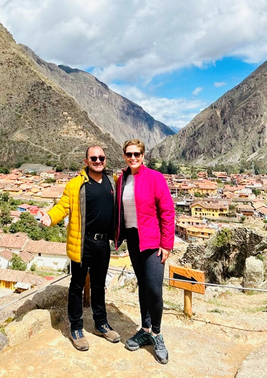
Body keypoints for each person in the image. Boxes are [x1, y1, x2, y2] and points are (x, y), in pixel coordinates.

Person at [42, 145, 120, 351]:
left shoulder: (112, 182)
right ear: (85, 161)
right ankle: (76, 328)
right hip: (81, 243)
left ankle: (101, 323)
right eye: (93, 158)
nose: (98, 160)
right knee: (76, 286)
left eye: (101, 157)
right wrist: (50, 216)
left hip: (103, 244)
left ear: (105, 159)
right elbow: (63, 206)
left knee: (98, 285)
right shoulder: (76, 185)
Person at [113, 139, 175, 364]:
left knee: (154, 288)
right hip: (133, 238)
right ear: (124, 156)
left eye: (137, 154)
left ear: (143, 155)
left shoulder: (155, 178)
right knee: (142, 285)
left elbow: (167, 211)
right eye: (129, 154)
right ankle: (145, 329)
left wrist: (166, 244)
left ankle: (157, 334)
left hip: (152, 240)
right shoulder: (122, 180)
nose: (133, 158)